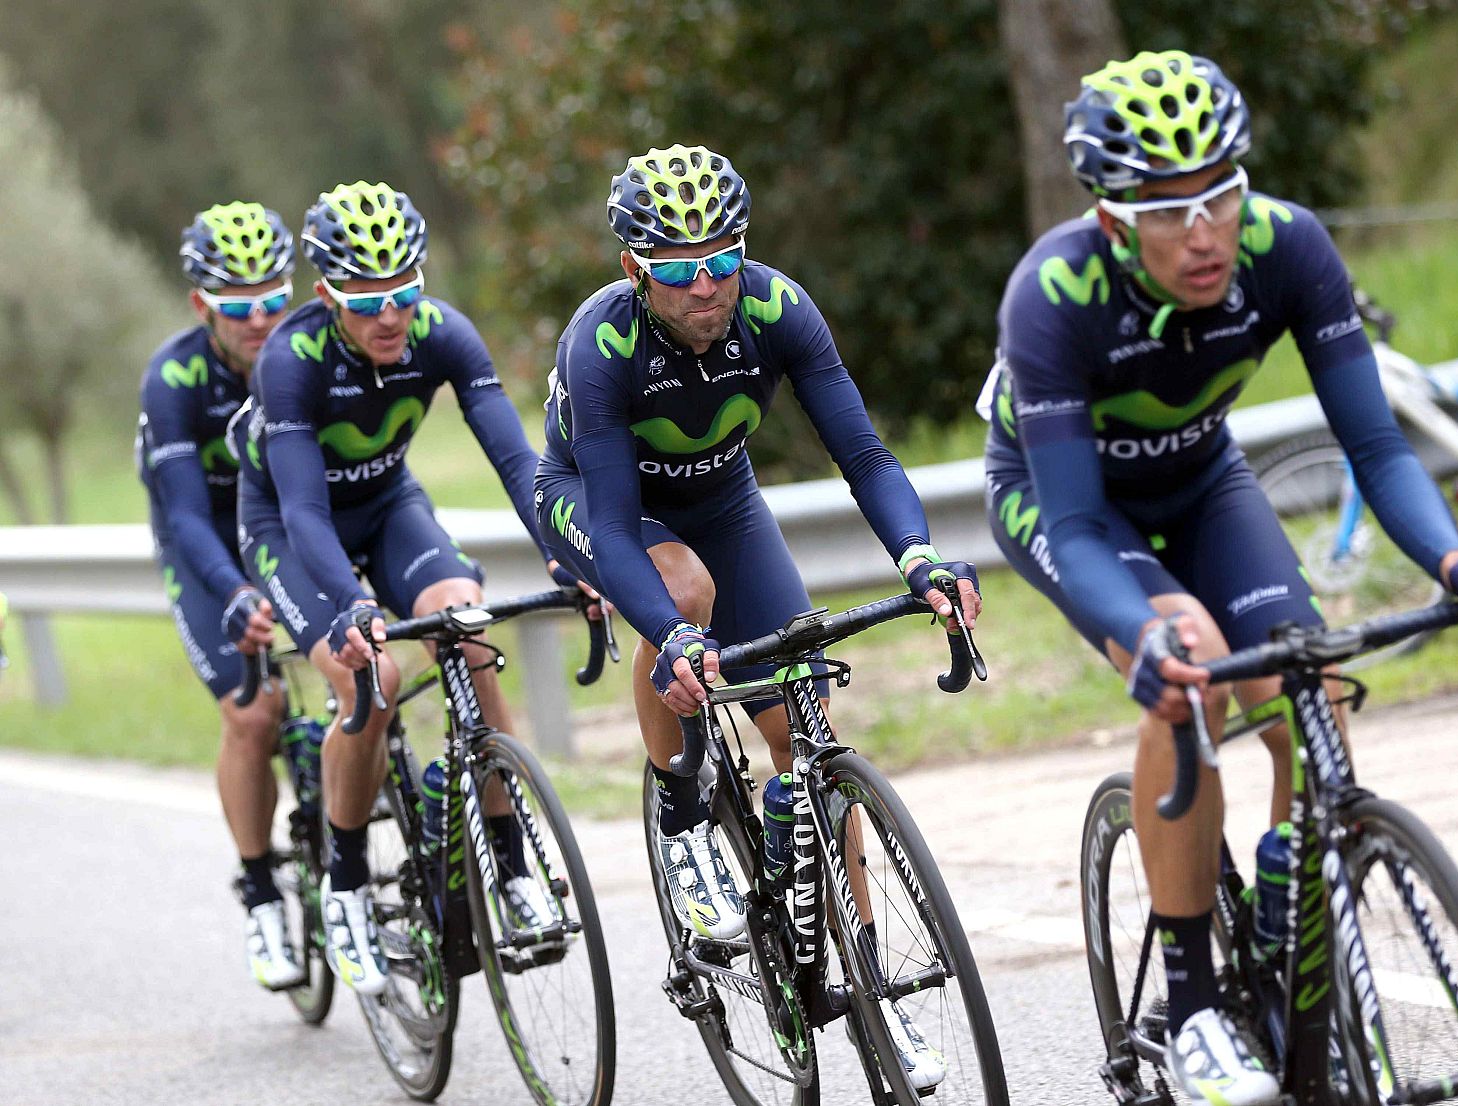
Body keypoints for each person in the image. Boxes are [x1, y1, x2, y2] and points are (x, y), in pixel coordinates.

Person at [978, 51, 1458, 1105]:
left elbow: (1375, 449)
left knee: (1311, 686)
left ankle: (1288, 912)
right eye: (1167, 207)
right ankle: (1193, 1003)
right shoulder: (1053, 295)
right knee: (1187, 657)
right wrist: (1140, 639)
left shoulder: (1286, 247)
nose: (1203, 231)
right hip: (1070, 504)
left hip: (1200, 476)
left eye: (1220, 194)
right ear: (1111, 219)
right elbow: (1070, 518)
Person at [535, 143, 980, 1088]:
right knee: (683, 596)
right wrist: (677, 635)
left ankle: (872, 992)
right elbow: (615, 527)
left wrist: (920, 558)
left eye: (723, 258)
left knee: (807, 721)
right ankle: (681, 811)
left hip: (723, 498)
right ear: (634, 271)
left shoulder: (777, 308)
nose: (708, 285)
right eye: (680, 269)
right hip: (599, 504)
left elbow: (863, 453)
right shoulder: (602, 342)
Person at [233, 180, 570, 995]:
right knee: (369, 676)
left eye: (405, 292)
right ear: (326, 295)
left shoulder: (444, 335)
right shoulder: (292, 359)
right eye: (366, 298)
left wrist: (573, 550)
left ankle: (512, 864)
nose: (390, 315)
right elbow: (306, 509)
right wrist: (350, 604)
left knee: (467, 625)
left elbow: (517, 464)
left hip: (387, 506)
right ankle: (346, 884)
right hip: (289, 525)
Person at [137, 202, 297, 988]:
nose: (262, 318)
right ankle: (262, 890)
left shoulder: (302, 354)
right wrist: (234, 592)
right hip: (203, 542)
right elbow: (186, 517)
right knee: (252, 710)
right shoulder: (174, 380)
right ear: (203, 305)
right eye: (240, 307)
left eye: (275, 298)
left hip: (279, 524)